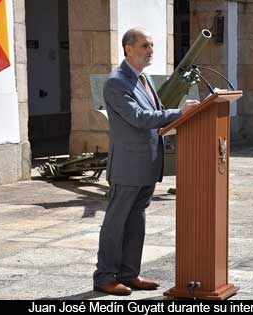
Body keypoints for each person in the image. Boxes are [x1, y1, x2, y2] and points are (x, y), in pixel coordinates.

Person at [93, 28, 199, 296]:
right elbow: (139, 117)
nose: (150, 50)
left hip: (147, 164)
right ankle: (104, 275)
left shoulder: (144, 78)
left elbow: (155, 112)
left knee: (136, 221)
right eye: (144, 46)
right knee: (116, 223)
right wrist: (179, 111)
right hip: (128, 166)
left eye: (151, 45)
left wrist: (173, 118)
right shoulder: (116, 82)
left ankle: (129, 273)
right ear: (128, 48)